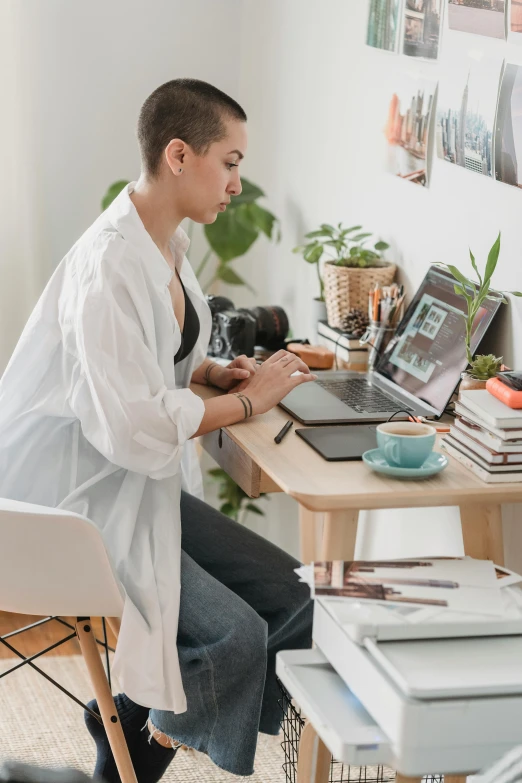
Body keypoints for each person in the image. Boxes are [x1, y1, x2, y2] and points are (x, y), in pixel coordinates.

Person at [0, 79, 316, 781]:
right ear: (180, 153)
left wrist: (211, 372)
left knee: (296, 598)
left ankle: (132, 716)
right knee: (232, 638)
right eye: (230, 162)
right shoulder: (108, 264)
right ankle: (132, 745)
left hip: (132, 485)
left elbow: (159, 355)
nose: (237, 182)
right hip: (70, 506)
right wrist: (250, 403)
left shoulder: (165, 241)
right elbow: (129, 424)